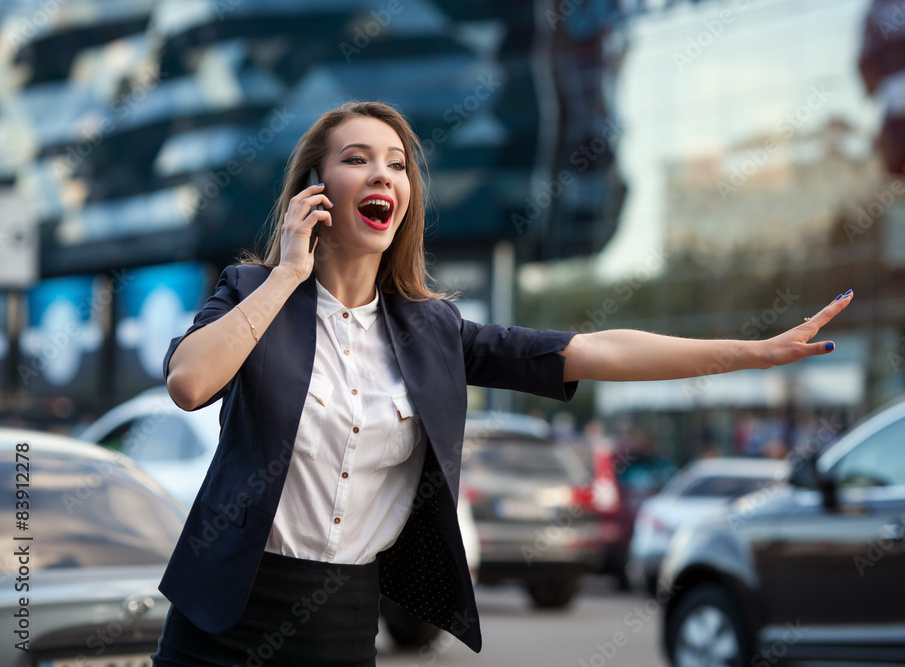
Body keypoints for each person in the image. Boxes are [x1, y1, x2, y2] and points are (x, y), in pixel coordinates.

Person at [152, 100, 853, 666]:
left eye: (397, 164)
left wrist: (752, 353)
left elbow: (596, 349)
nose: (383, 175)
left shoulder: (436, 332)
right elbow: (189, 382)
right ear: (316, 188)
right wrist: (286, 275)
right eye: (357, 159)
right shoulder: (253, 292)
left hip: (341, 616)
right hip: (223, 616)